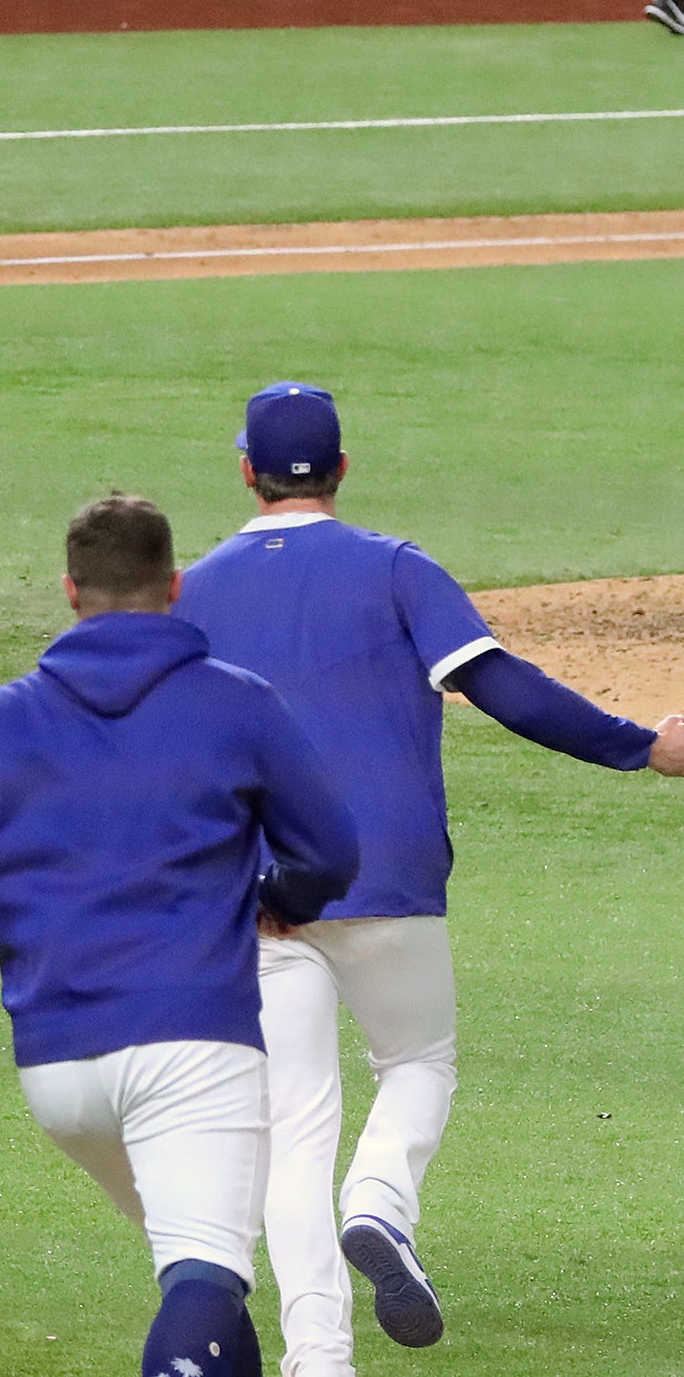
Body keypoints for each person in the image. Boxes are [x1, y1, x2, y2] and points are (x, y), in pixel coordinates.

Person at [172, 383, 684, 1373]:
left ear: (243, 470)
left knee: (292, 1127)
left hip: (260, 897)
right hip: (389, 874)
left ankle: (316, 1355)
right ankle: (380, 1204)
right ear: (340, 471)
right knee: (415, 1065)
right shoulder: (394, 568)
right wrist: (644, 746)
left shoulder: (188, 594)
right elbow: (504, 687)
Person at [0, 494, 358, 1377]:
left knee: (204, 1274)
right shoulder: (239, 706)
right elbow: (332, 849)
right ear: (177, 586)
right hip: (191, 1046)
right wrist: (278, 895)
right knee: (206, 1272)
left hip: (57, 1067)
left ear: (70, 591)